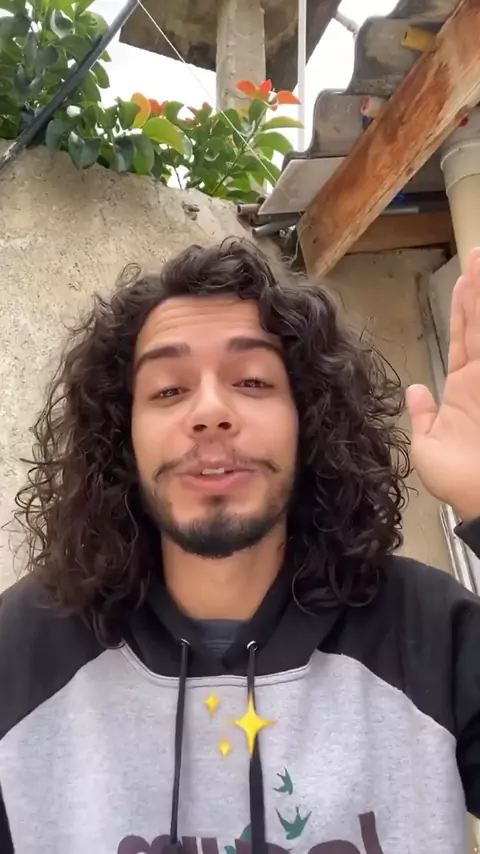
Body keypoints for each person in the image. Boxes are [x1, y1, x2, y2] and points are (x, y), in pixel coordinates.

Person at [0, 240, 479, 854]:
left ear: (309, 420)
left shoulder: (429, 629)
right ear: (123, 439)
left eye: (252, 380)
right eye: (168, 391)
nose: (210, 412)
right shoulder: (25, 646)